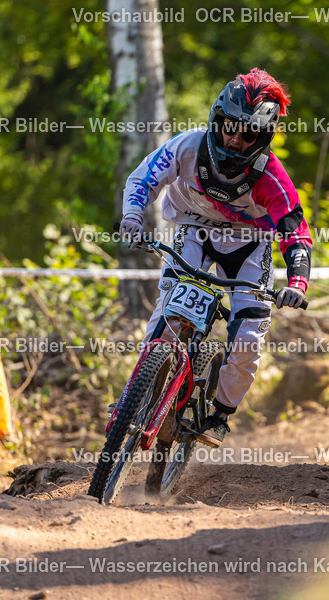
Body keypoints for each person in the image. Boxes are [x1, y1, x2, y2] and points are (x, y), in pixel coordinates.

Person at [119, 67, 312, 446]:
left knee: (247, 338)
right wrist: (131, 218)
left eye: (249, 133)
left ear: (265, 136)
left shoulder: (272, 177)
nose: (236, 140)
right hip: (194, 230)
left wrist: (297, 282)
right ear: (216, 119)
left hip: (249, 244)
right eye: (230, 126)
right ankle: (136, 396)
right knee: (166, 312)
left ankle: (220, 416)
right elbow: (143, 179)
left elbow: (295, 232)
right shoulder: (187, 146)